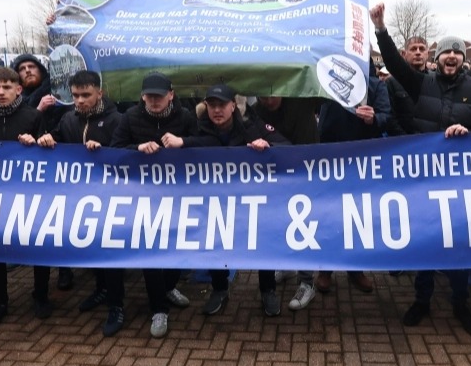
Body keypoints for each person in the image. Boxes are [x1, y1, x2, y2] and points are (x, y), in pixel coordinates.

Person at [371, 2, 471, 336]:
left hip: (460, 181)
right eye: (445, 53)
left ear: (462, 59)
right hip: (422, 178)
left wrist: (469, 135)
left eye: (456, 53)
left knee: (458, 244)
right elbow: (394, 63)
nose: (450, 57)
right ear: (435, 59)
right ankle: (422, 299)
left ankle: (459, 301)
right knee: (424, 239)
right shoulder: (420, 83)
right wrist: (381, 30)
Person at [162, 84, 290, 316]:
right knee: (215, 243)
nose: (217, 110)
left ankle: (267, 290)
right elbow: (185, 145)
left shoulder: (251, 126)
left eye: (222, 105)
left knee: (261, 242)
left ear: (233, 106)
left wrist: (267, 145)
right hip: (213, 202)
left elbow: (286, 146)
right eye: (212, 105)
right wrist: (183, 143)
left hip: (250, 201)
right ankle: (219, 289)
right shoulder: (198, 126)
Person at [110, 71, 197, 338]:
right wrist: (137, 148)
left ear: (171, 94)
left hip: (179, 193)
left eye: (159, 96)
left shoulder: (185, 117)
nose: (154, 101)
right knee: (151, 250)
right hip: (143, 196)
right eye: (149, 96)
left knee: (178, 244)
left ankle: (169, 287)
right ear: (142, 96)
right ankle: (159, 309)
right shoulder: (130, 117)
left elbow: (207, 145)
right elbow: (115, 148)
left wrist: (183, 143)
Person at [38, 70, 123, 335]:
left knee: (111, 254)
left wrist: (106, 150)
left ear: (100, 92)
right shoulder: (67, 119)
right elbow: (60, 142)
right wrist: (48, 138)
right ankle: (100, 291)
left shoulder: (117, 120)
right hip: (81, 198)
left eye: (86, 95)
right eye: (75, 95)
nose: (80, 101)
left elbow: (126, 152)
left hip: (112, 197)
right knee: (94, 250)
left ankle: (117, 306)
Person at [0, 68, 49, 331]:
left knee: (37, 244)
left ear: (18, 89)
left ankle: (41, 295)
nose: (0, 92)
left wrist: (37, 142)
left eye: (7, 87)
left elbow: (48, 149)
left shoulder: (33, 116)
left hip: (30, 193)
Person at [313, 64, 392, 294]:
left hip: (362, 160)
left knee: (358, 215)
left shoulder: (375, 85)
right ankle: (326, 268)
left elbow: (386, 116)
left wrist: (373, 119)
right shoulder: (327, 79)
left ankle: (355, 268)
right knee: (330, 214)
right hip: (330, 156)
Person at [252, 95, 324, 310]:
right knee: (278, 222)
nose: (268, 98)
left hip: (306, 171)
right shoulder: (256, 110)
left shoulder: (302, 101)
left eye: (273, 92)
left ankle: (307, 282)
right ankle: (285, 265)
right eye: (263, 94)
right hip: (277, 174)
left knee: (304, 225)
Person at [12, 54, 74, 289]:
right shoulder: (25, 101)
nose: (28, 71)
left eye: (32, 66)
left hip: (58, 162)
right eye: (23, 68)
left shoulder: (57, 90)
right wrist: (37, 110)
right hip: (33, 169)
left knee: (61, 217)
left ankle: (65, 268)